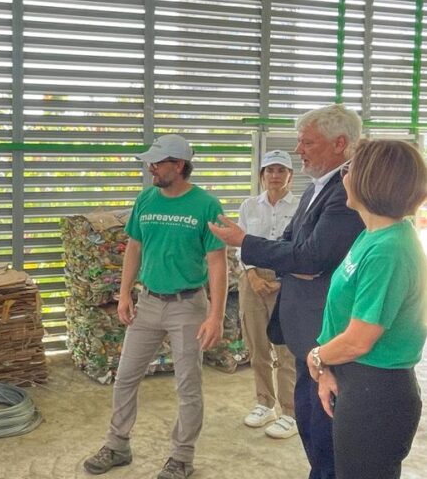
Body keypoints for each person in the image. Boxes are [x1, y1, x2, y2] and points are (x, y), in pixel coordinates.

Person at [209, 104, 364, 479]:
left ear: (339, 143)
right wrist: (287, 260)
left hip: (325, 332)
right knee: (311, 429)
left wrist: (248, 242)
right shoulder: (316, 189)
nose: (300, 149)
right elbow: (292, 245)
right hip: (304, 333)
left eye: (307, 142)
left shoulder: (346, 193)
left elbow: (310, 258)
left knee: (326, 439)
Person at [83, 134, 227, 479]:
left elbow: (217, 262)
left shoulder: (206, 205)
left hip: (187, 305)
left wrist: (216, 316)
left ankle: (181, 457)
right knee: (125, 378)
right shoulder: (146, 199)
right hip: (148, 303)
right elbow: (134, 246)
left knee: (188, 385)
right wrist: (126, 293)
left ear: (178, 166)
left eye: (158, 163)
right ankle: (117, 445)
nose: (151, 169)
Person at [307, 139, 427, 479]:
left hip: (377, 392)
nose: (343, 177)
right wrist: (327, 368)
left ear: (369, 179)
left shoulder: (390, 248)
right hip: (355, 378)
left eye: (348, 169)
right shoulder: (371, 236)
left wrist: (316, 357)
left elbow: (360, 339)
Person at [236, 150, 298, 439]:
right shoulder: (249, 206)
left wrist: (284, 279)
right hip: (253, 278)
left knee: (287, 349)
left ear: (290, 176)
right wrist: (251, 274)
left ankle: (290, 411)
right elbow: (241, 244)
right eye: (269, 170)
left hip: (288, 279)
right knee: (257, 344)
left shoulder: (301, 206)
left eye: (280, 170)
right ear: (261, 176)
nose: (275, 176)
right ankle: (264, 403)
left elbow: (302, 247)